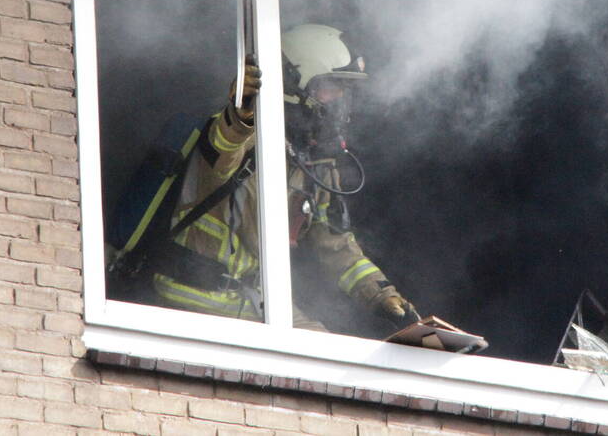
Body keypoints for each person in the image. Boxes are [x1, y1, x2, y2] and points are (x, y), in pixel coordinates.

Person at [150, 24, 418, 332]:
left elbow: (337, 247)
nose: (340, 100)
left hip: (254, 299)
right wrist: (240, 114)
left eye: (345, 90)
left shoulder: (315, 166)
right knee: (316, 358)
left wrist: (382, 296)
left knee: (327, 355)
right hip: (194, 297)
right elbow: (224, 147)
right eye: (331, 87)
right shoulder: (246, 140)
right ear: (293, 87)